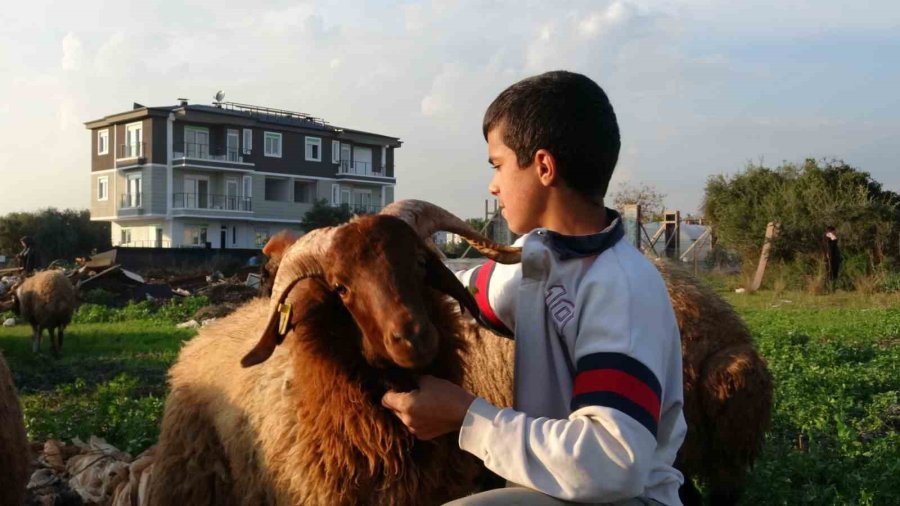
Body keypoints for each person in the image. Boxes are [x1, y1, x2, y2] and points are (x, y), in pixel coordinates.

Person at [382, 71, 686, 505]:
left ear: (543, 166)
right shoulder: (536, 260)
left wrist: (467, 417)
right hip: (557, 489)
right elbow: (463, 292)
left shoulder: (621, 286)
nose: (493, 185)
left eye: (498, 164)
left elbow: (613, 463)